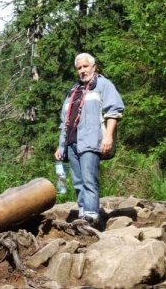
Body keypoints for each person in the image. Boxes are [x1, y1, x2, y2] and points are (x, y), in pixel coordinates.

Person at [54, 53, 124, 227]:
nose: (82, 71)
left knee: (89, 180)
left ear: (94, 67)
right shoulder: (73, 90)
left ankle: (92, 216)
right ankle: (83, 214)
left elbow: (114, 111)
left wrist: (108, 136)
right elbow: (65, 120)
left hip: (91, 141)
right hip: (71, 142)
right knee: (78, 182)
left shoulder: (103, 85)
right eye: (79, 68)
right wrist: (60, 146)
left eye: (85, 66)